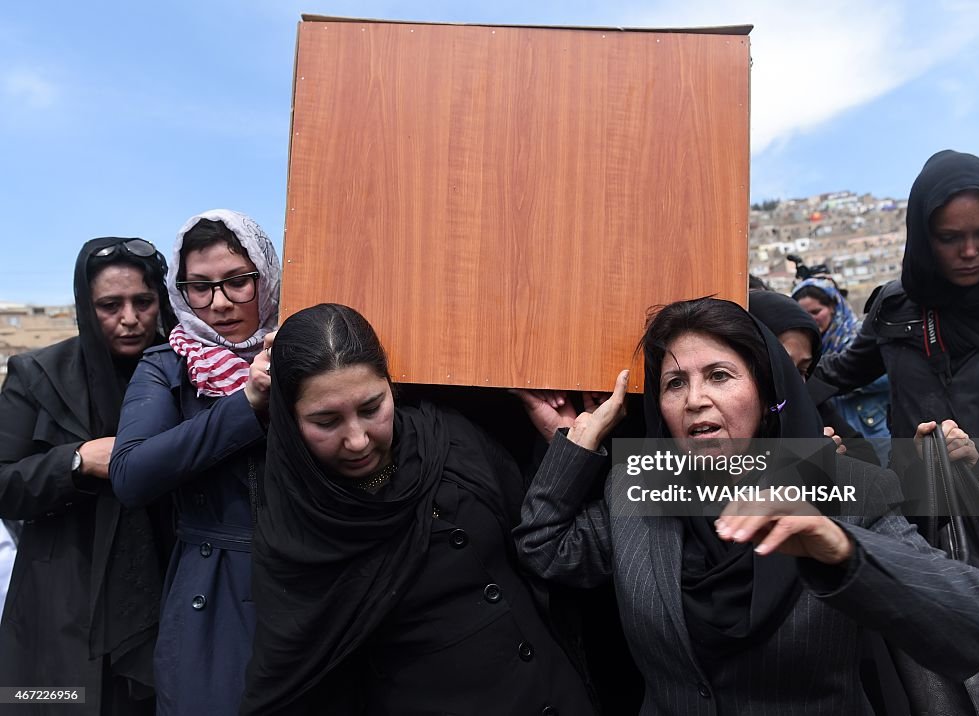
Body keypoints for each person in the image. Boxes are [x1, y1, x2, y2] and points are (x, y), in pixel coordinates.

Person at [515, 297, 979, 715]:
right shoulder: (639, 487)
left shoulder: (846, 487)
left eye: (719, 375)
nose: (695, 400)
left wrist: (842, 550)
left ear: (766, 390)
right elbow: (546, 549)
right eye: (675, 383)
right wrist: (571, 448)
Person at [241, 303, 596, 715]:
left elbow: (538, 540)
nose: (356, 440)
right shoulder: (297, 530)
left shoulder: (451, 440)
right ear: (290, 420)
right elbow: (291, 687)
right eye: (326, 421)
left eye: (371, 408)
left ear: (391, 387)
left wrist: (560, 450)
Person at [109, 210, 279, 715]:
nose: (220, 303)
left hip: (311, 575)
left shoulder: (307, 347)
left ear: (265, 276)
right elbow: (132, 474)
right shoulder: (167, 364)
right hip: (213, 589)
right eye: (199, 287)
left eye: (237, 282)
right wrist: (247, 404)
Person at [0, 237, 176, 715]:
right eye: (109, 305)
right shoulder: (38, 373)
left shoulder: (183, 370)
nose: (129, 318)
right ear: (85, 304)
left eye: (143, 302)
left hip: (160, 592)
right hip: (61, 599)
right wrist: (76, 462)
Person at [816, 150, 979, 495]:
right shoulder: (895, 308)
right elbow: (833, 376)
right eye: (950, 237)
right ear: (925, 238)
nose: (970, 251)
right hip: (924, 525)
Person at [748, 289, 879, 465]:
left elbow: (867, 459)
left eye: (802, 370)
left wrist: (836, 461)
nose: (793, 381)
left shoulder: (810, 402)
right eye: (782, 364)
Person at [792, 278, 891, 465]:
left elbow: (886, 375)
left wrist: (837, 382)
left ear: (833, 307)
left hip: (872, 427)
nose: (810, 319)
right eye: (803, 313)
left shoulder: (859, 336)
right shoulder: (808, 347)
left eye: (816, 312)